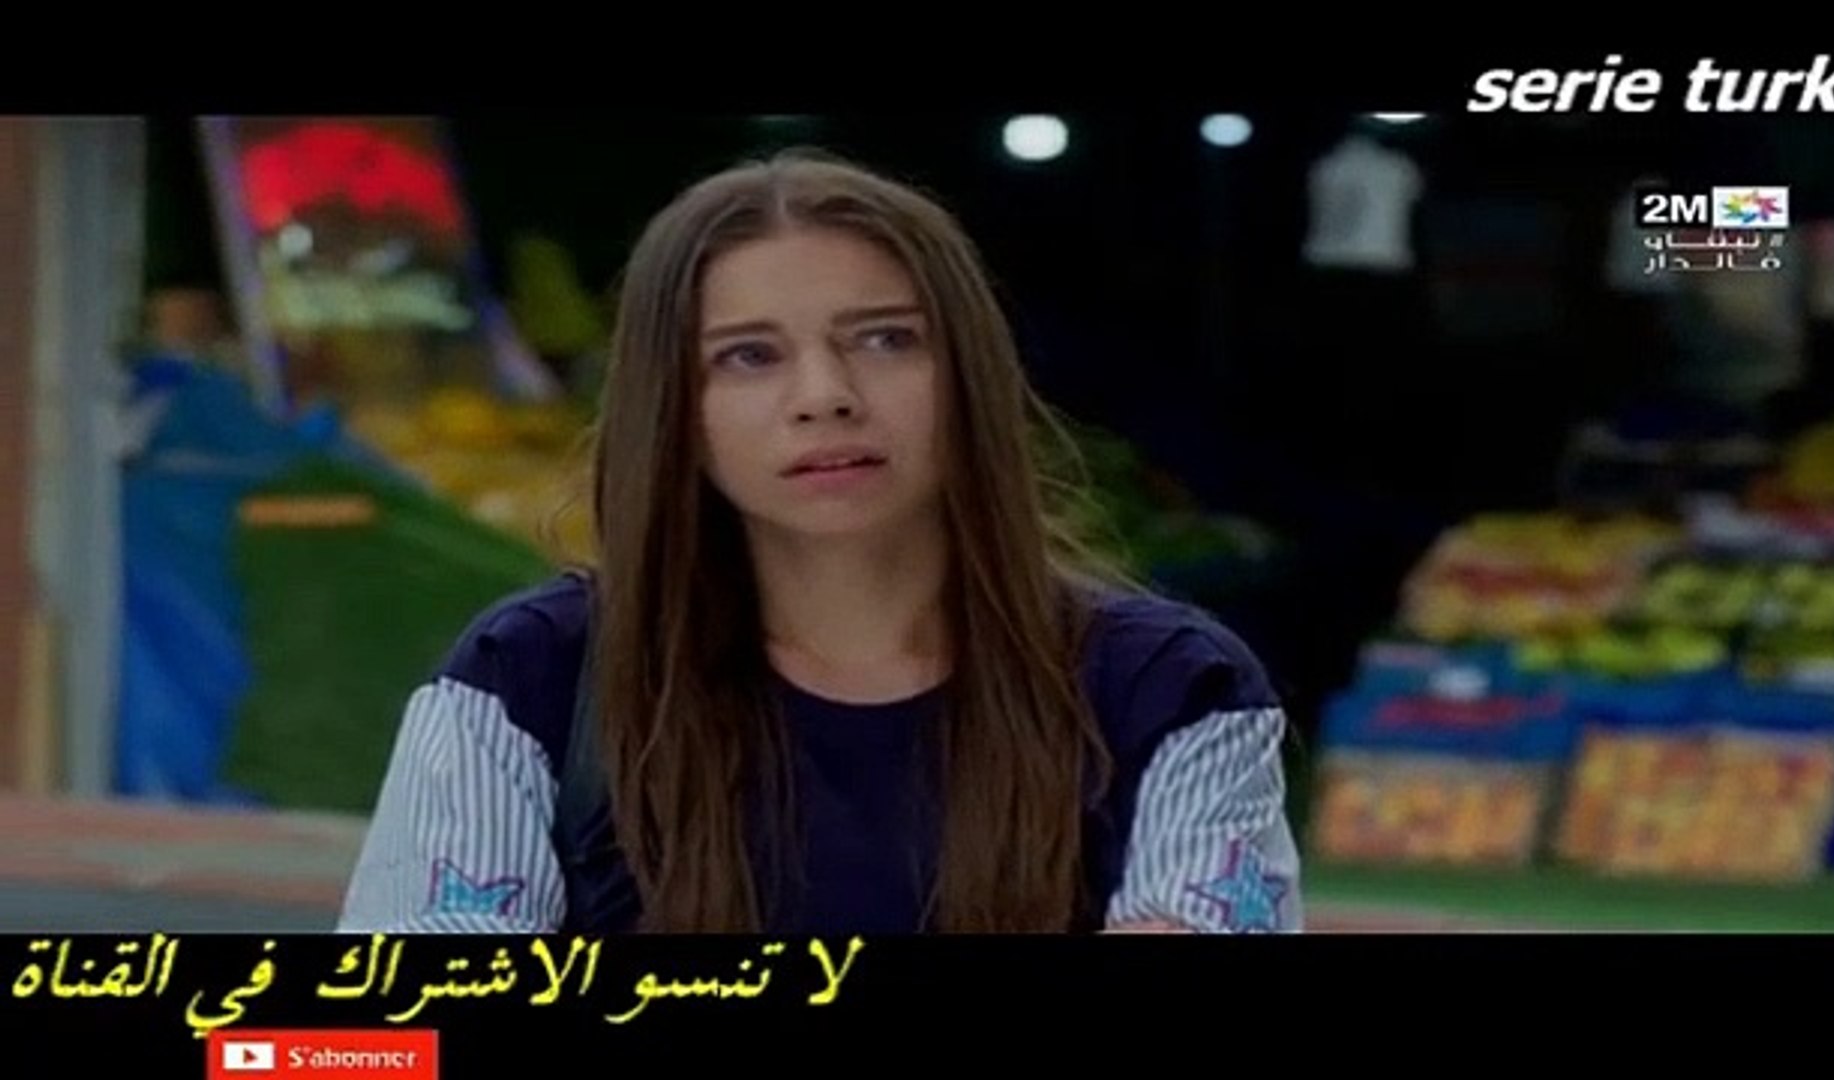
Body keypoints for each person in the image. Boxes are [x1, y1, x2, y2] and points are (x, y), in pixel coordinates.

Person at [337, 149, 1303, 935]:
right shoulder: (529, 681)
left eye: (884, 339)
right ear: (673, 408)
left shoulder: (1172, 691)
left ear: (970, 375)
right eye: (748, 356)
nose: (824, 395)